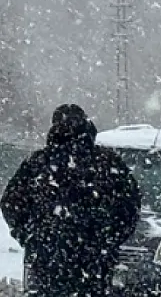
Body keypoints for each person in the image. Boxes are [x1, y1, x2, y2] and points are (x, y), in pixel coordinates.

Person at [0, 104, 141, 295]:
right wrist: (107, 241)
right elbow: (130, 207)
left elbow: (11, 202)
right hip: (93, 263)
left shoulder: (38, 163)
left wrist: (31, 237)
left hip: (49, 260)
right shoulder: (108, 163)